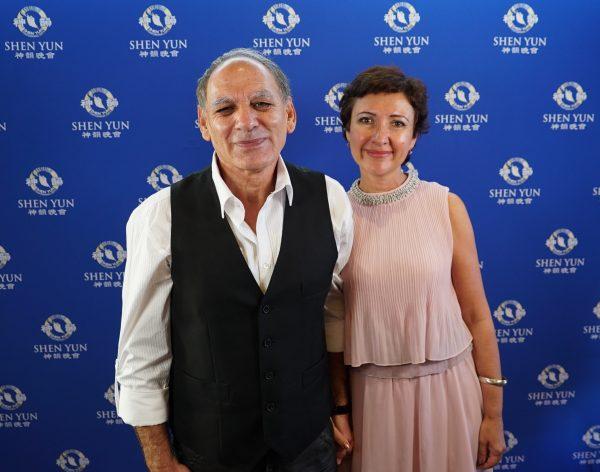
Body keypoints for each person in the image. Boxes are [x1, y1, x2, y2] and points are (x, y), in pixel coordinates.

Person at [114, 48, 354, 472]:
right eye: (225, 109)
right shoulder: (159, 216)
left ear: (290, 116)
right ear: (205, 125)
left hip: (308, 447)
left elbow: (332, 314)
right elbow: (141, 353)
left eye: (262, 104)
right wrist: (159, 458)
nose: (246, 121)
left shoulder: (331, 199)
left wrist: (338, 407)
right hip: (209, 452)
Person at [327, 66, 507, 471]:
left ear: (413, 136)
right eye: (366, 121)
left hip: (450, 392)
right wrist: (337, 407)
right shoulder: (329, 217)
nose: (381, 137)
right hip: (369, 404)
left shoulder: (445, 206)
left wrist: (493, 414)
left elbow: (478, 317)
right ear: (348, 130)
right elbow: (329, 328)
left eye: (397, 123)